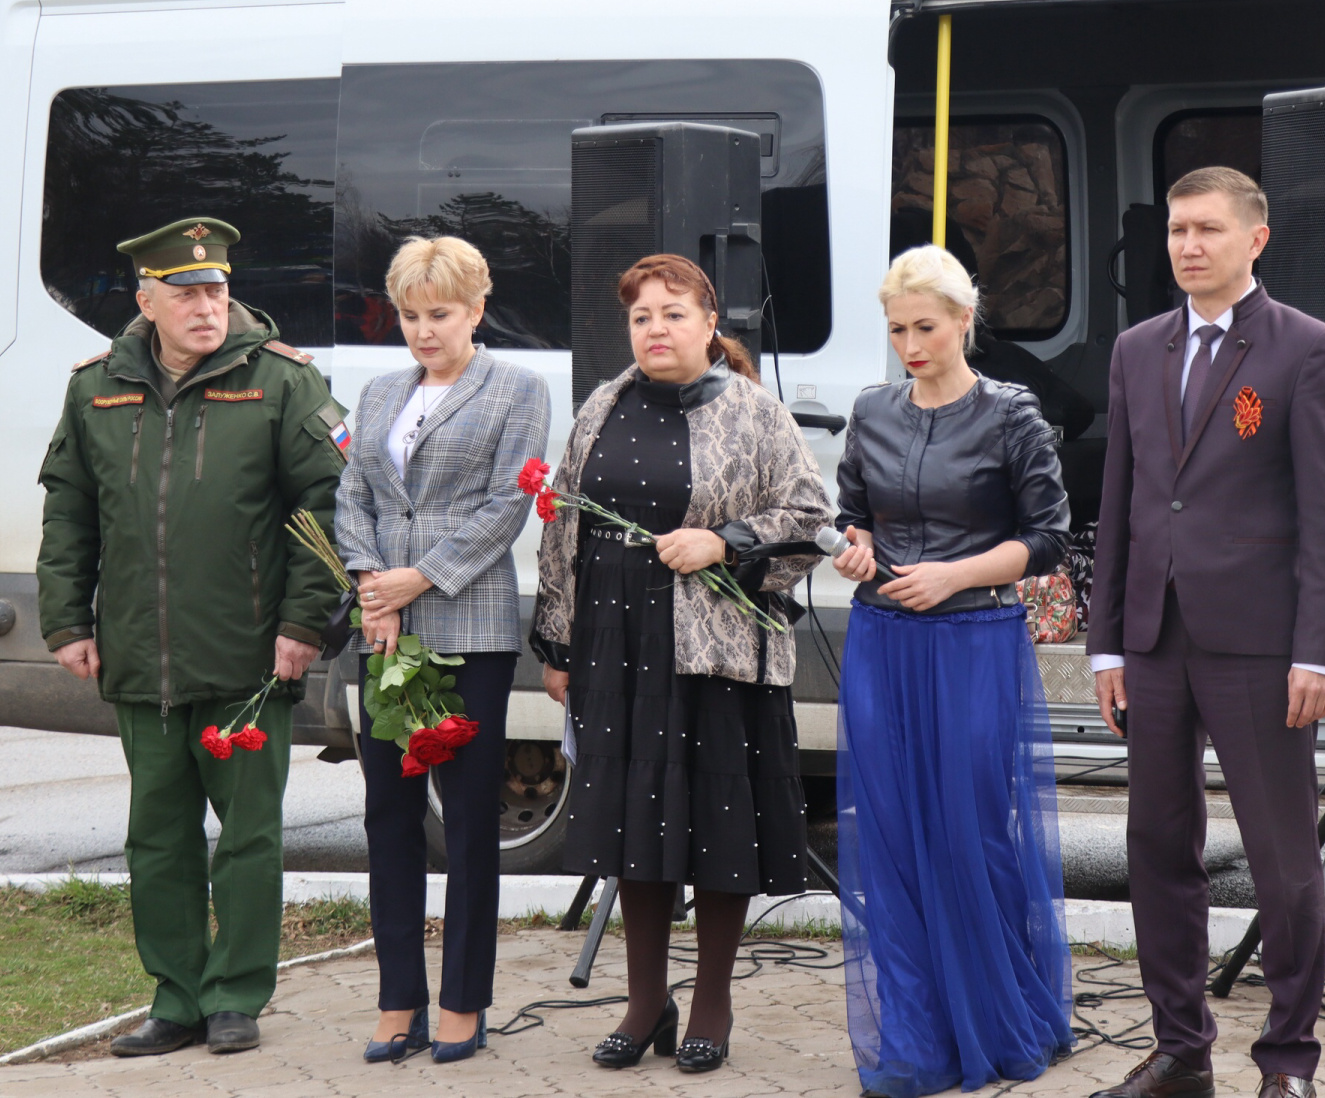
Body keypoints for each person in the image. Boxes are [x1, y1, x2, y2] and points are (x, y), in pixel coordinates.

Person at [37, 218, 348, 1057]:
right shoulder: (95, 386)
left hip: (249, 655)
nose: (207, 306)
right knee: (157, 837)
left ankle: (236, 995)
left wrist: (302, 623)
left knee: (248, 837)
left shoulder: (281, 384)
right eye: (186, 294)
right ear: (147, 302)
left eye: (216, 289)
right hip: (141, 653)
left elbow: (327, 509)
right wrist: (67, 619)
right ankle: (176, 997)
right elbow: (69, 510)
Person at [1086, 167, 1325, 1098]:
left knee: (1283, 862)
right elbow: (1121, 498)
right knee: (1158, 849)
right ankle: (1179, 1049)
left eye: (1206, 229)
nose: (1188, 245)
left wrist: (1320, 648)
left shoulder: (1306, 349)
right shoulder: (1136, 349)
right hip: (1156, 637)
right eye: (1175, 230)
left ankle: (1288, 1061)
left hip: (1260, 644)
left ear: (1256, 239)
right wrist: (1108, 641)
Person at [531, 253, 832, 1075]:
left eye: (672, 313)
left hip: (716, 656)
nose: (655, 329)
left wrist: (723, 542)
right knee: (635, 826)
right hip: (616, 647)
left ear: (708, 324)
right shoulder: (603, 404)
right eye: (641, 317)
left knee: (717, 826)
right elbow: (563, 526)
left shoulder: (755, 412)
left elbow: (811, 516)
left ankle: (712, 1000)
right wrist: (556, 644)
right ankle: (643, 999)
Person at [829, 244, 1077, 1097]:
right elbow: (852, 517)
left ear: (966, 320)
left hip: (974, 637)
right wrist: (853, 553)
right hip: (883, 639)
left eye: (925, 327)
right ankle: (917, 1031)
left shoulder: (1012, 413)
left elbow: (1047, 536)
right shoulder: (872, 411)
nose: (910, 345)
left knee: (970, 829)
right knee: (893, 834)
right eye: (897, 329)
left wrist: (958, 573)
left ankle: (1007, 1016)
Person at [334, 235, 552, 1065]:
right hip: (383, 622)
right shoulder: (381, 390)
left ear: (477, 310)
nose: (424, 331)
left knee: (465, 822)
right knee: (387, 814)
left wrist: (415, 579)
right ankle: (398, 1001)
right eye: (411, 315)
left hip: (467, 623)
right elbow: (351, 493)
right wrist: (369, 582)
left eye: (441, 315)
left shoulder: (517, 389)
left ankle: (463, 1000)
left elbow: (507, 506)